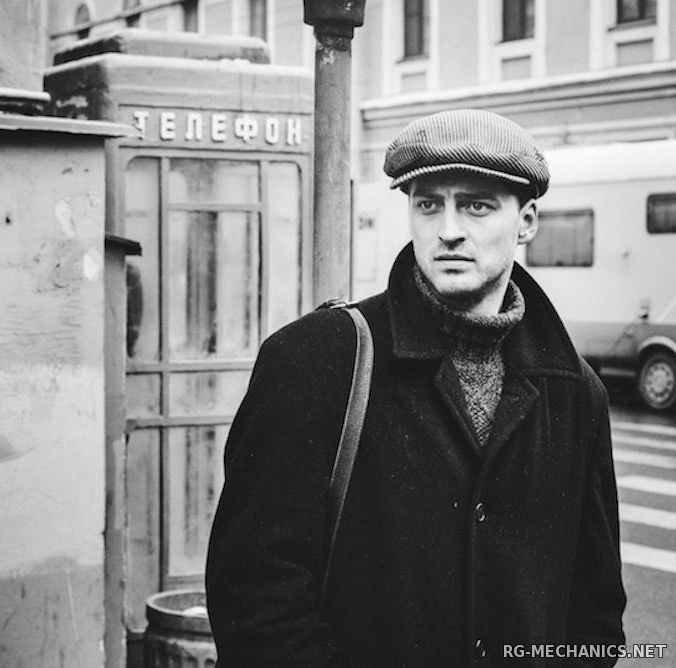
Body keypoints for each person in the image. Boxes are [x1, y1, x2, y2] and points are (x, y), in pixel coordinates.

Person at [205, 109, 626, 667]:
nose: (448, 229)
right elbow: (254, 593)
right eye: (429, 204)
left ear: (526, 222)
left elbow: (595, 609)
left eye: (476, 205)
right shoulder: (317, 359)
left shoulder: (575, 392)